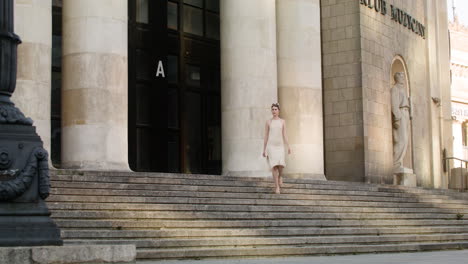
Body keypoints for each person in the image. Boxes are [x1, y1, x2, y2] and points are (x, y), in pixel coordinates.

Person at [263, 103, 291, 194]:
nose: (274, 111)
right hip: (271, 146)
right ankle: (277, 187)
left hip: (280, 146)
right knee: (274, 166)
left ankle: (280, 177)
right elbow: (266, 135)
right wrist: (264, 149)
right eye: (272, 109)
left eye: (275, 109)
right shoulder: (268, 122)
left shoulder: (282, 121)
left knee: (281, 165)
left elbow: (285, 134)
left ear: (278, 111)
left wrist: (289, 146)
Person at [391, 72, 410, 172]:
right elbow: (394, 104)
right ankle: (396, 163)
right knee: (401, 140)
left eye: (403, 76)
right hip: (401, 113)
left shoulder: (403, 89)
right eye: (400, 76)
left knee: (405, 140)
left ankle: (399, 162)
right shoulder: (395, 89)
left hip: (406, 113)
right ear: (396, 78)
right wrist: (397, 118)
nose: (402, 78)